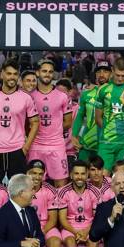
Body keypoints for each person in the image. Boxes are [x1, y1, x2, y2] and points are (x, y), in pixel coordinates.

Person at [0, 59, 39, 181]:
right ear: (2, 74)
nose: (12, 77)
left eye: (15, 74)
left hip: (17, 150)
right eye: (9, 74)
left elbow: (35, 123)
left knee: (18, 190)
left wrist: (25, 148)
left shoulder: (26, 98)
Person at [57, 160, 102, 247]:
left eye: (83, 173)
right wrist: (76, 232)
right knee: (70, 242)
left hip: (90, 226)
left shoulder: (95, 192)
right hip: (70, 228)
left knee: (93, 243)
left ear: (87, 174)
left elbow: (97, 217)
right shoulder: (63, 191)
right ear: (71, 175)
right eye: (76, 173)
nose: (80, 177)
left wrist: (86, 231)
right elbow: (63, 220)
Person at [29, 59, 73, 187]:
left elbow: (68, 122)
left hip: (56, 145)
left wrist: (54, 131)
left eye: (50, 72)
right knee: (33, 185)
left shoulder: (62, 96)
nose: (47, 74)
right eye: (44, 71)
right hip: (36, 145)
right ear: (37, 73)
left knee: (61, 184)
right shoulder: (29, 96)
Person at [25, 159, 63, 247]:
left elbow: (53, 220)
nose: (37, 177)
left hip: (45, 226)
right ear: (27, 173)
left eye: (40, 174)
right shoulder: (18, 189)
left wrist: (39, 232)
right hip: (25, 228)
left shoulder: (49, 190)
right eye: (33, 173)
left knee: (55, 242)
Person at [95, 57, 124, 173]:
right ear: (112, 70)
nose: (120, 79)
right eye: (117, 75)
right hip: (106, 143)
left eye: (123, 76)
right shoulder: (103, 90)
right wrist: (108, 130)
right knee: (102, 178)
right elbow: (98, 118)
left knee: (122, 178)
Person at [73, 61, 111, 162]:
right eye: (99, 72)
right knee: (81, 175)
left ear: (111, 74)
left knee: (105, 177)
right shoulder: (86, 94)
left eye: (106, 71)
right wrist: (74, 135)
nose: (102, 74)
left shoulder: (117, 94)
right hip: (87, 144)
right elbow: (80, 116)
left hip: (108, 145)